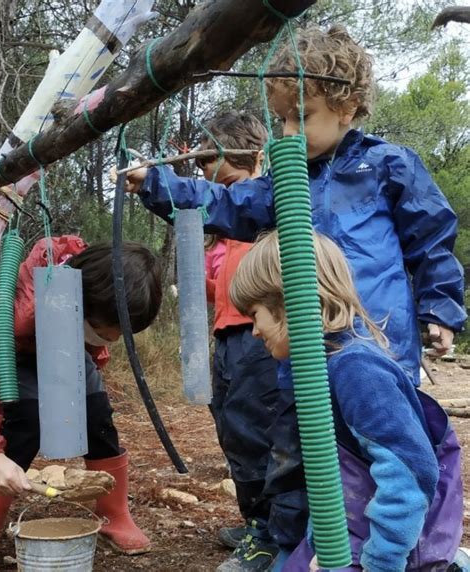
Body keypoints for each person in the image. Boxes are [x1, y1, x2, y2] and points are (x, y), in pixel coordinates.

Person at [124, 24, 466, 556]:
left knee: (380, 450)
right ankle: (288, 545)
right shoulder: (286, 179)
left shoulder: (388, 166)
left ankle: (394, 550)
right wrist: (159, 184)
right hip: (304, 349)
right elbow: (228, 204)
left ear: (347, 106)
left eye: (299, 118)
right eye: (280, 119)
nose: (286, 131)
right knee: (294, 452)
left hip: (378, 347)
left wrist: (439, 309)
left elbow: (431, 242)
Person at [229, 230, 463, 571]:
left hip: (379, 550)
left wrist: (380, 563)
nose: (254, 331)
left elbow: (410, 473)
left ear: (286, 302)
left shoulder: (355, 368)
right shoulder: (322, 368)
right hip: (343, 536)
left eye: (254, 314)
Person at [0, 235, 162, 555]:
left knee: (97, 413)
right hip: (16, 353)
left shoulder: (94, 292)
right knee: (26, 420)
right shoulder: (20, 315)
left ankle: (115, 514)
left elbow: (90, 345)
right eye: (103, 329)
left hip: (66, 345)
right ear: (81, 303)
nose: (108, 338)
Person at [200, 111, 281, 571]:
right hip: (225, 337)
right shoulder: (224, 225)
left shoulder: (263, 209)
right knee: (231, 428)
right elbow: (223, 284)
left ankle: (271, 532)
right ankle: (255, 520)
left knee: (257, 430)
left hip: (259, 336)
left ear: (251, 157)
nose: (208, 173)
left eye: (223, 173)